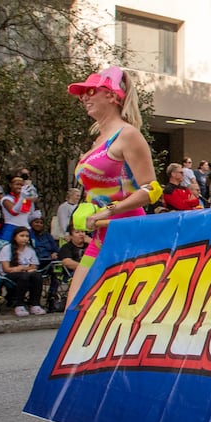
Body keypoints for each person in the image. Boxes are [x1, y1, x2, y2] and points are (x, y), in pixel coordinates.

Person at [64, 65, 162, 308]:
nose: (84, 97)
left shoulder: (127, 135)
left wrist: (110, 210)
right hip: (100, 237)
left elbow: (152, 189)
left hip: (129, 235)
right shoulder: (98, 140)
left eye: (90, 91)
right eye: (82, 93)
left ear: (111, 94)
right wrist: (87, 210)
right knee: (74, 312)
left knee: (128, 316)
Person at [0, 228, 45, 317]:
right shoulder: (6, 249)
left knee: (37, 276)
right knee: (24, 276)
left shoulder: (30, 250)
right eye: (22, 236)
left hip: (25, 272)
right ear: (15, 237)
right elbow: (6, 269)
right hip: (10, 274)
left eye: (27, 236)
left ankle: (35, 304)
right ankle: (19, 304)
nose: (25, 238)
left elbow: (34, 266)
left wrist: (24, 268)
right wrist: (20, 269)